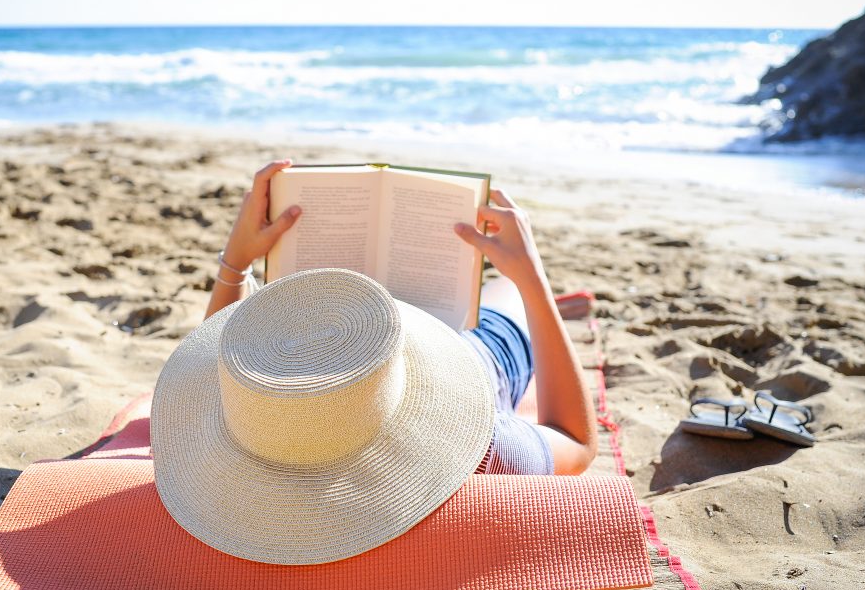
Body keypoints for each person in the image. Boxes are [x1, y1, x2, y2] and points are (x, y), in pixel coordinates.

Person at [203, 159, 597, 477]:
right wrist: (533, 282)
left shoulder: (251, 413)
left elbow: (208, 363)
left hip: (403, 341)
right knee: (508, 292)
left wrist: (236, 262)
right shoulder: (477, 446)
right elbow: (576, 442)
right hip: (472, 357)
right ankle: (548, 306)